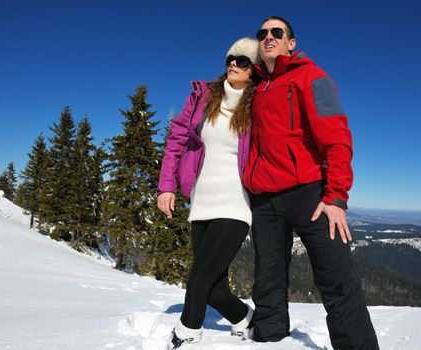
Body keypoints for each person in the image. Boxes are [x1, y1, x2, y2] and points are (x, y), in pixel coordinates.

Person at [242, 16, 380, 350]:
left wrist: (335, 197)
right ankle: (269, 339)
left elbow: (337, 138)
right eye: (262, 33)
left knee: (336, 277)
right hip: (264, 200)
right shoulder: (256, 88)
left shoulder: (312, 77)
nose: (269, 37)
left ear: (291, 42)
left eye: (278, 32)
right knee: (267, 280)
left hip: (310, 194)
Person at [157, 37, 259, 349]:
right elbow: (176, 141)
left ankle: (188, 332)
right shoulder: (203, 98)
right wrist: (166, 186)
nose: (233, 64)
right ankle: (246, 318)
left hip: (236, 205)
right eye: (231, 57)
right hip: (201, 202)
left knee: (199, 278)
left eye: (242, 61)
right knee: (215, 288)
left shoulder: (259, 106)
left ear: (253, 70)